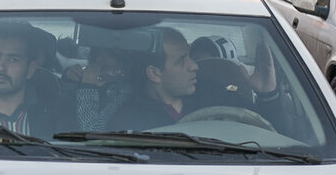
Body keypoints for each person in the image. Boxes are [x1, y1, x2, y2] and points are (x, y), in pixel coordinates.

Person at [119, 27, 287, 131]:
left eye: (190, 57)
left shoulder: (214, 93)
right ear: (155, 74)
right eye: (181, 61)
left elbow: (273, 134)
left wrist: (267, 95)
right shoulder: (130, 119)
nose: (194, 66)